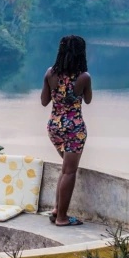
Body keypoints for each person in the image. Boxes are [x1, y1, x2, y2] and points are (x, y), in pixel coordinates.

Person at [40, 35, 92, 227]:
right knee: (70, 172)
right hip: (74, 129)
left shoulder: (50, 73)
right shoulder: (83, 77)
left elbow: (44, 101)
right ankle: (62, 217)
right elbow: (88, 100)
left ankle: (56, 209)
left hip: (54, 126)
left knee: (65, 169)